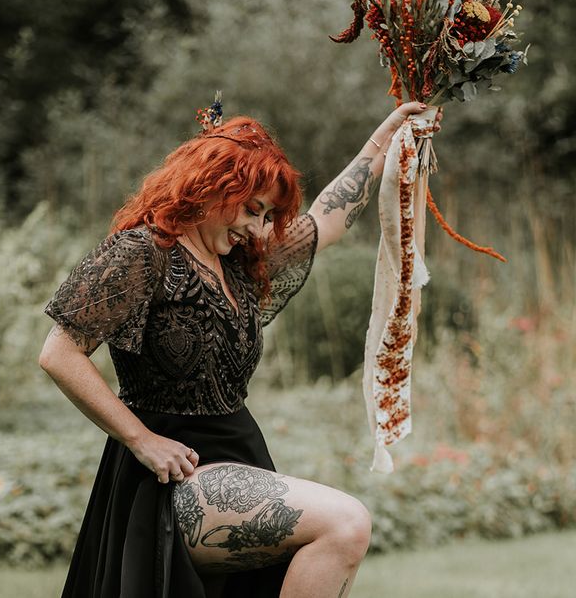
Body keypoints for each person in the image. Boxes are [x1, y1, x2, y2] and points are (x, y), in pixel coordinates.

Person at [39, 98, 440, 598]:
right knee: (346, 524)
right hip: (173, 479)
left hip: (240, 459)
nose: (259, 226)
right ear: (213, 185)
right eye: (254, 209)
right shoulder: (142, 253)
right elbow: (59, 352)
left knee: (339, 531)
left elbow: (329, 218)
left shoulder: (240, 265)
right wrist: (141, 440)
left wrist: (391, 135)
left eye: (268, 214)